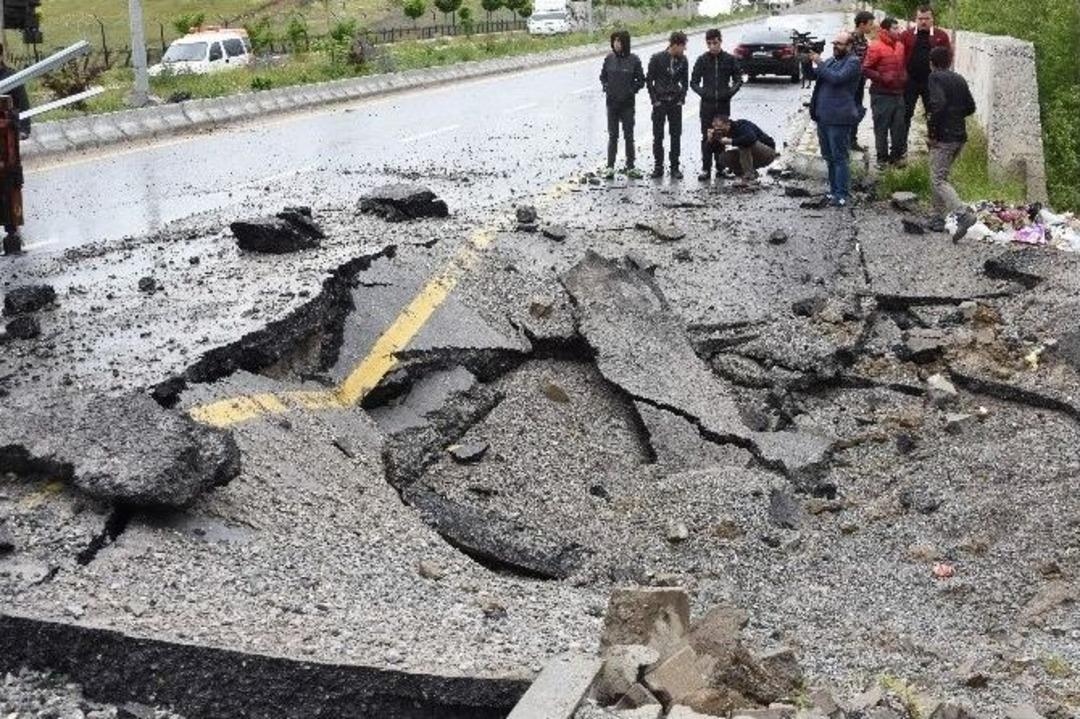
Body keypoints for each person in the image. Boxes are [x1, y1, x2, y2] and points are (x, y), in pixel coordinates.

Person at [806, 31, 863, 207]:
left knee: (839, 157)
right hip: (823, 117)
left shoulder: (853, 62)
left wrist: (819, 62)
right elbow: (814, 76)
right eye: (834, 43)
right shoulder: (831, 61)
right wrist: (806, 61)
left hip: (839, 118)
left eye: (839, 44)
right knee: (829, 157)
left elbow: (836, 79)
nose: (835, 46)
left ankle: (842, 194)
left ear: (850, 46)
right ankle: (833, 191)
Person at [925, 45, 976, 235]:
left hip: (944, 137)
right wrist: (955, 115)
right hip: (959, 136)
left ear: (931, 63)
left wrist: (932, 130)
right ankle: (937, 218)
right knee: (939, 176)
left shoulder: (934, 77)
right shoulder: (959, 79)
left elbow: (938, 104)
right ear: (950, 61)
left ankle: (963, 214)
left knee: (938, 179)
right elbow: (971, 107)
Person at [690, 28, 742, 182]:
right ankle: (706, 169)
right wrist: (703, 93)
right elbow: (693, 82)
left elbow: (738, 78)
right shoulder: (702, 60)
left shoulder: (729, 59)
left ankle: (721, 167)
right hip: (707, 105)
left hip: (723, 105)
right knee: (707, 136)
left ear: (720, 41)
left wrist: (730, 92)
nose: (713, 46)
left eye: (715, 42)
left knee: (721, 136)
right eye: (709, 43)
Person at [899, 4, 951, 158]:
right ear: (916, 19)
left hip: (932, 83)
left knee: (933, 115)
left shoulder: (941, 36)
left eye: (926, 18)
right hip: (911, 81)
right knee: (905, 114)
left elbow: (948, 57)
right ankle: (901, 149)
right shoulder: (906, 35)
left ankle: (934, 150)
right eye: (920, 18)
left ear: (932, 19)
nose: (923, 22)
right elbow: (899, 56)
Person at [862, 17, 908, 169]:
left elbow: (902, 65)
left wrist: (904, 77)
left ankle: (896, 157)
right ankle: (882, 158)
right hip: (881, 94)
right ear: (886, 30)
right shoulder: (875, 46)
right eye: (895, 28)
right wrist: (881, 77)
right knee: (881, 127)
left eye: (898, 28)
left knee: (899, 126)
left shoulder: (900, 46)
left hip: (898, 92)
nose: (898, 31)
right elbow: (865, 68)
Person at [599, 30, 646, 180]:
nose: (616, 44)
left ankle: (630, 166)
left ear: (625, 43)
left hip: (627, 104)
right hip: (612, 104)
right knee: (613, 135)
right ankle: (610, 167)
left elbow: (641, 81)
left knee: (629, 135)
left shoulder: (634, 60)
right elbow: (602, 77)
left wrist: (630, 91)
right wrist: (606, 87)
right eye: (614, 41)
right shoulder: (609, 59)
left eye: (619, 41)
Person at [646, 31, 689, 179]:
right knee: (658, 136)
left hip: (675, 103)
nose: (684, 50)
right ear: (675, 45)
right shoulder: (657, 58)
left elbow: (685, 82)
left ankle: (675, 167)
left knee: (675, 135)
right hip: (660, 102)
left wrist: (681, 99)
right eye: (683, 46)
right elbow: (649, 81)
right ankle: (658, 167)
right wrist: (655, 100)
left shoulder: (683, 60)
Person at [706, 115, 777, 185]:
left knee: (744, 144)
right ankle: (743, 175)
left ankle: (749, 178)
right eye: (715, 128)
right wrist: (710, 140)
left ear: (728, 124)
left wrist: (731, 141)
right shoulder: (720, 133)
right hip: (754, 156)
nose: (718, 130)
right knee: (723, 157)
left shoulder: (741, 125)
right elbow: (712, 150)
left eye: (720, 127)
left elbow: (751, 138)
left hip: (768, 153)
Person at [849, 11, 876, 150]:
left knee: (857, 109)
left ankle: (852, 140)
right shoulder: (850, 39)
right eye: (870, 24)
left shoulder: (864, 40)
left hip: (860, 81)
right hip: (850, 82)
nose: (871, 27)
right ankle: (847, 140)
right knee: (850, 110)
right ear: (861, 24)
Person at [0, 47, 32, 139]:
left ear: (1, 57)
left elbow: (23, 103)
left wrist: (23, 129)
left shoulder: (12, 77)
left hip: (6, 126)